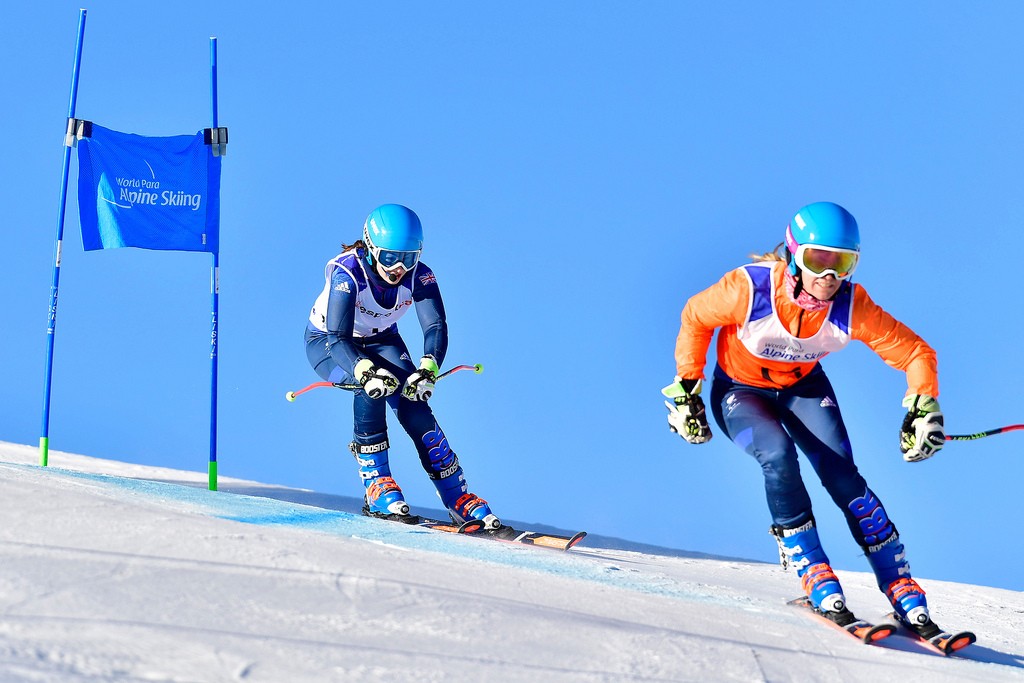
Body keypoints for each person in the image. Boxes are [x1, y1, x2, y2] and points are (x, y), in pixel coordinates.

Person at [663, 201, 946, 629]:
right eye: (819, 260)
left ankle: (900, 585)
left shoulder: (852, 306)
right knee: (777, 456)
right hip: (740, 391)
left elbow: (915, 352)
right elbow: (695, 316)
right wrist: (687, 386)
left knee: (843, 477)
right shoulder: (749, 289)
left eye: (843, 263)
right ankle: (813, 568)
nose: (829, 277)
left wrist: (923, 404)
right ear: (795, 254)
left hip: (802, 389)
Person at [305, 203, 500, 530]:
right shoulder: (347, 274)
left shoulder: (420, 276)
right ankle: (377, 484)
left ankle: (457, 496)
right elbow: (338, 338)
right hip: (330, 345)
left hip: (383, 341)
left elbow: (435, 326)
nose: (399, 268)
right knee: (372, 388)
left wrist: (428, 368)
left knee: (414, 401)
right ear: (369, 248)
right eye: (389, 258)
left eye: (409, 258)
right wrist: (364, 371)